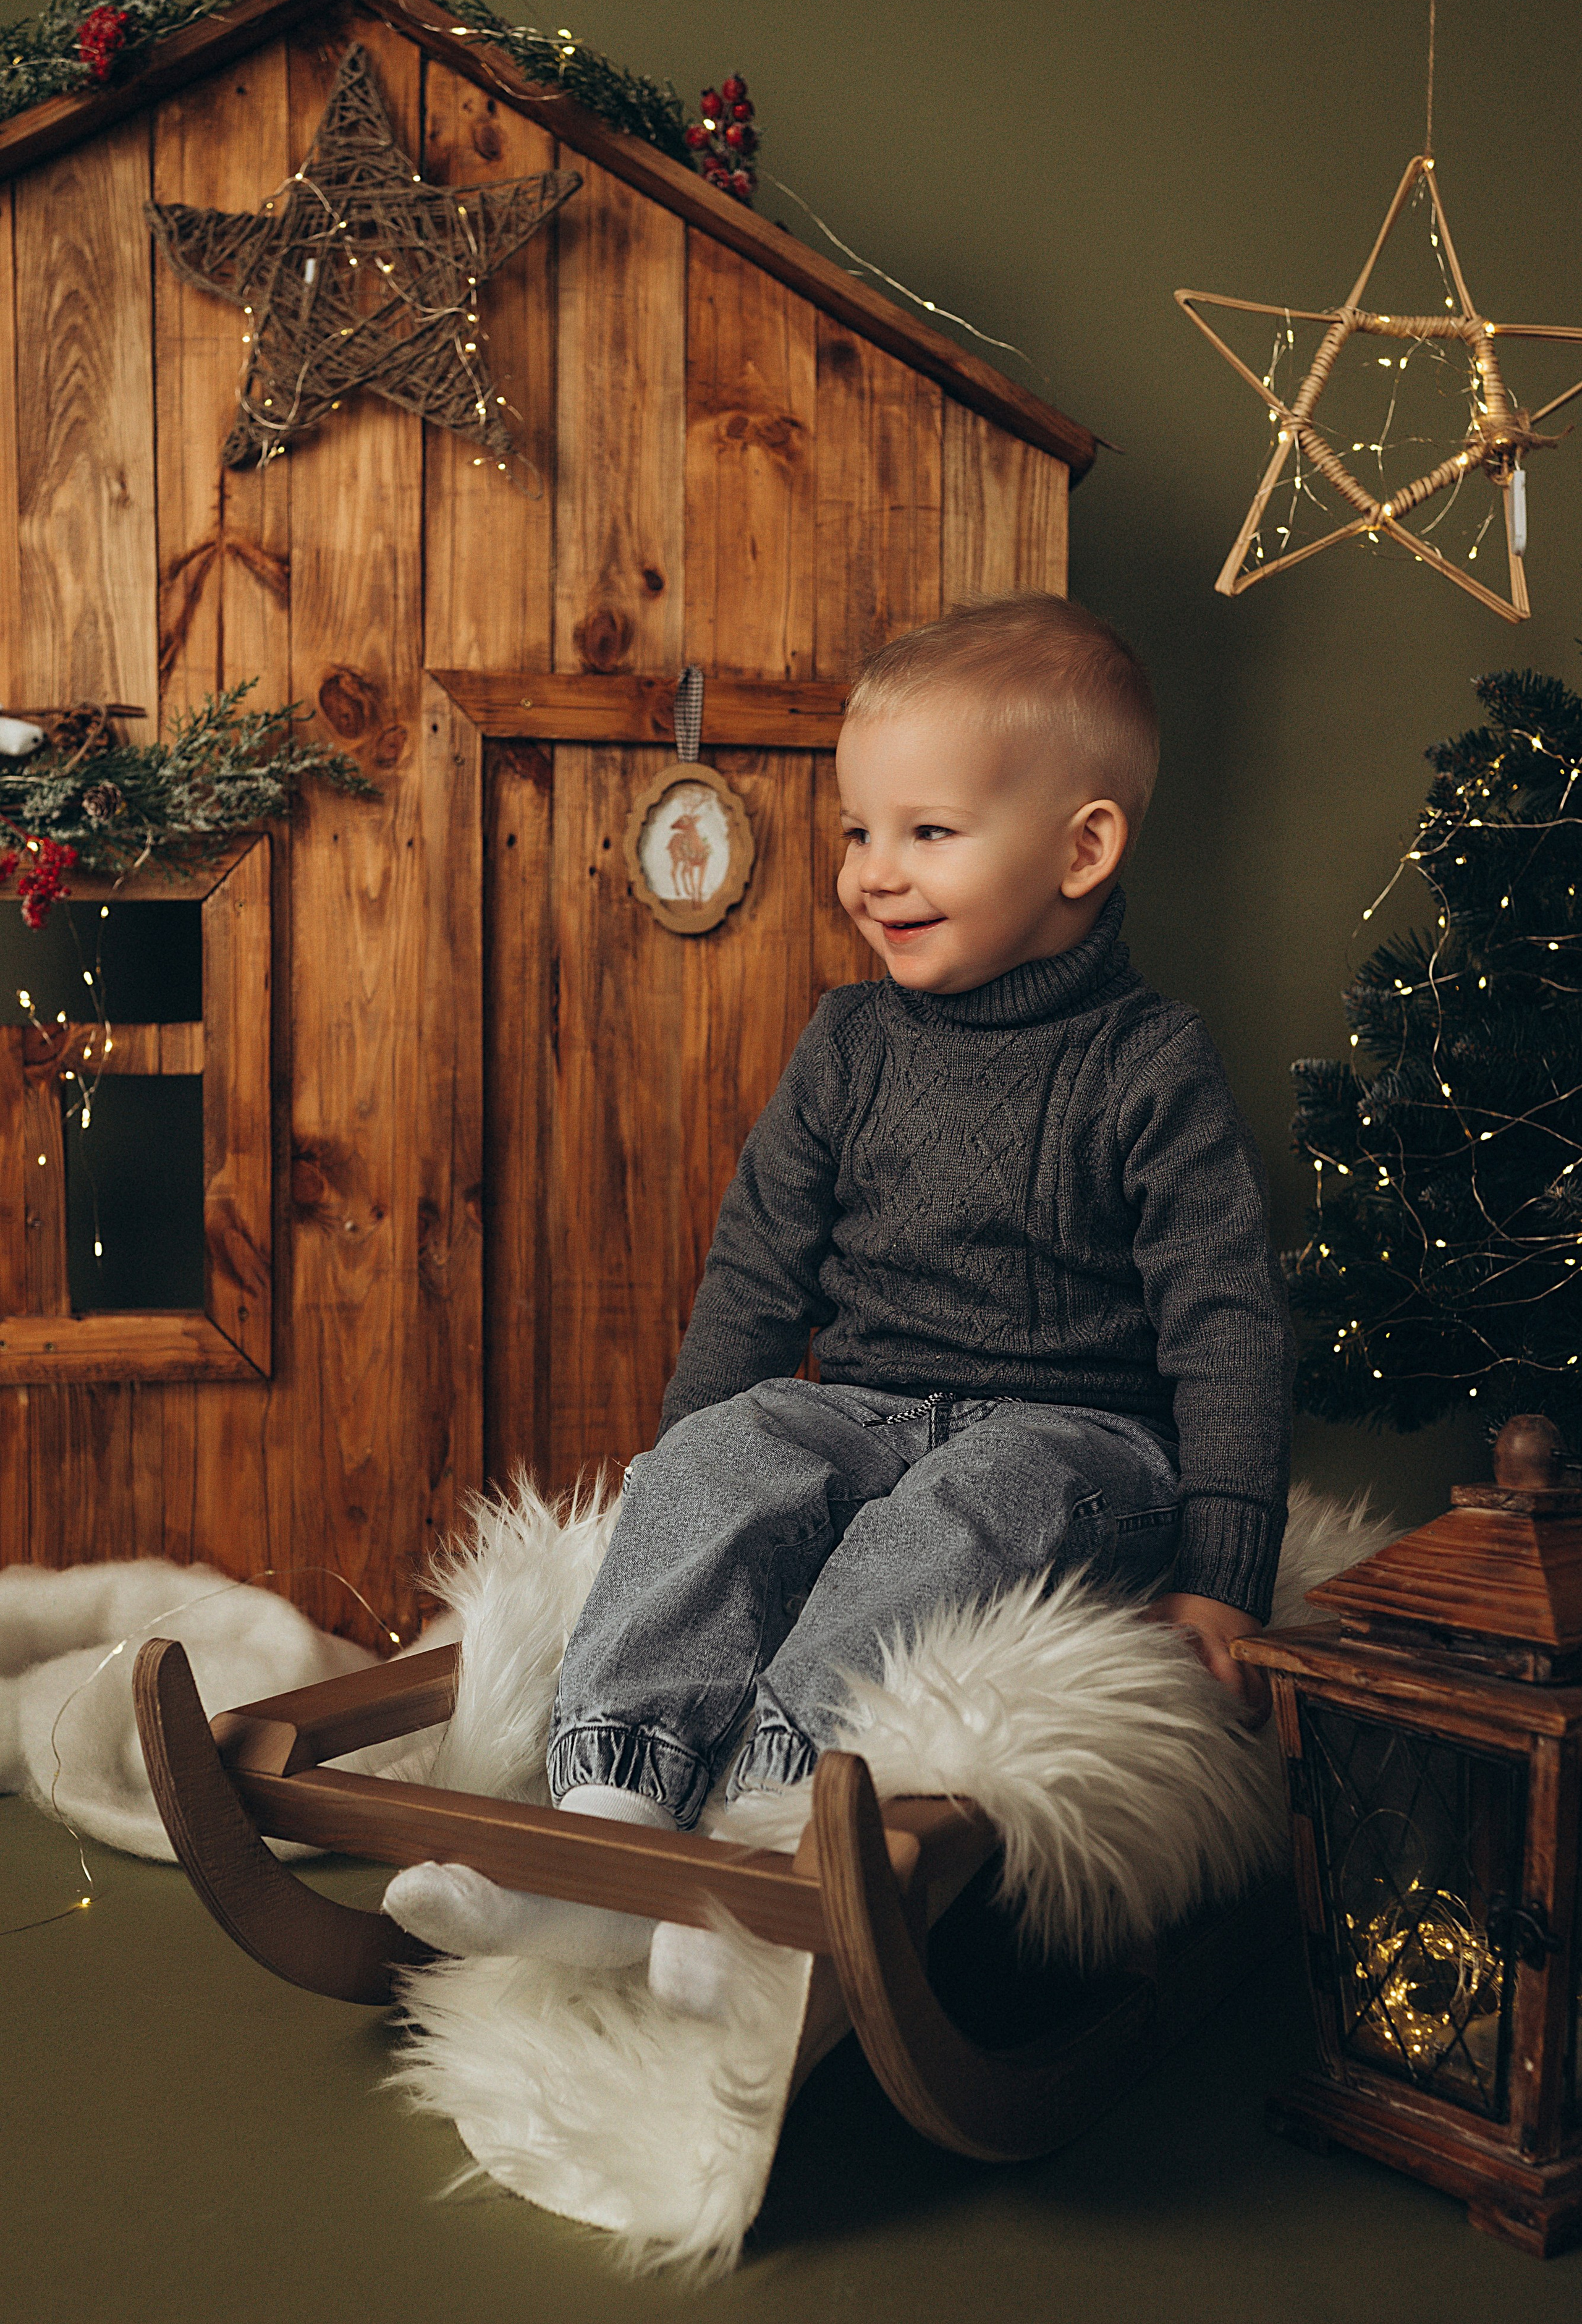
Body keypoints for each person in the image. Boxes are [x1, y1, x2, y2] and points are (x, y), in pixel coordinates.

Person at [384, 593, 1294, 2010]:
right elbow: (759, 1270)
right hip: (863, 1403)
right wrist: (688, 1459)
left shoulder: (1145, 1062)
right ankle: (612, 1817)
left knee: (962, 1505)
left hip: (1077, 1439)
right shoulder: (847, 1041)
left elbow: (1225, 1318)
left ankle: (772, 1835)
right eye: (857, 832)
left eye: (925, 833)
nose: (874, 872)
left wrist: (1223, 1572)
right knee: (737, 1449)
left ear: (1082, 849)